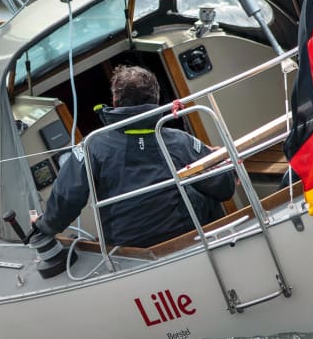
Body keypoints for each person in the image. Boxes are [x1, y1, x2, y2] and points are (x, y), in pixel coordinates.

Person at [31, 65, 236, 251]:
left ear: (114, 101)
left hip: (130, 251)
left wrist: (44, 226)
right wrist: (219, 162)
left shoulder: (93, 145)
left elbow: (67, 197)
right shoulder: (180, 141)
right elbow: (224, 189)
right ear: (156, 99)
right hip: (187, 238)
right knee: (205, 195)